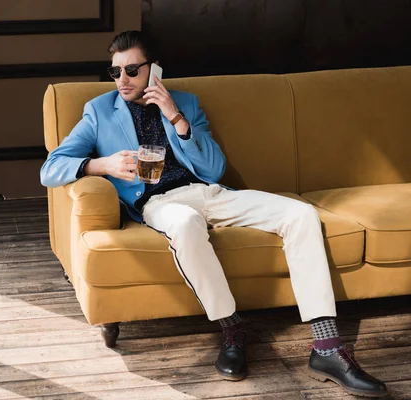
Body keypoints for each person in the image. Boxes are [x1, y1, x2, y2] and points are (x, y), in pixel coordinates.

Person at [40, 30, 387, 397]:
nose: (122, 80)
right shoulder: (99, 112)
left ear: (154, 69)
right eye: (115, 72)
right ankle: (232, 327)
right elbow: (50, 168)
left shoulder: (185, 103)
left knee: (300, 214)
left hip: (209, 193)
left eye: (131, 70)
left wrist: (176, 118)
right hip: (159, 204)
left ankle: (327, 348)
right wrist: (103, 165)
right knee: (187, 224)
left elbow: (214, 169)